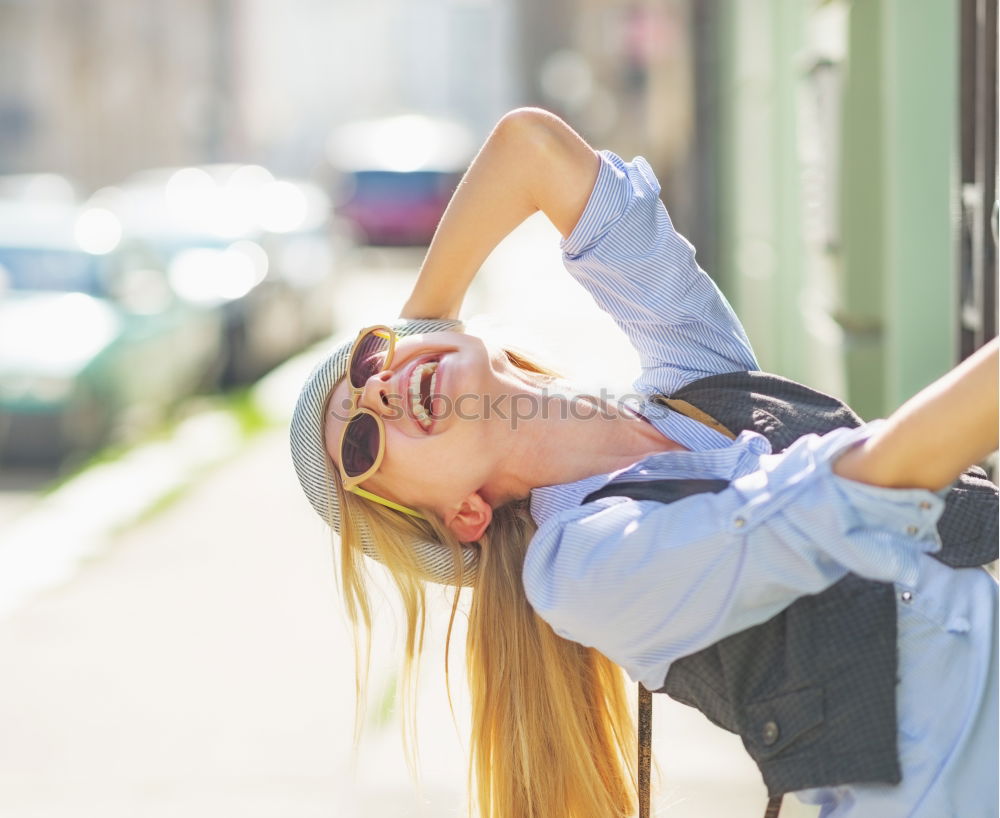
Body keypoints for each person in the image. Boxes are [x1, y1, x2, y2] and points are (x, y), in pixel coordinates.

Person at [289, 108, 999, 818]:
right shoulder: (581, 570)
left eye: (369, 363)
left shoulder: (690, 386)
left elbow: (531, 150)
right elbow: (863, 487)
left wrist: (422, 329)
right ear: (464, 514)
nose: (377, 391)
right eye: (363, 443)